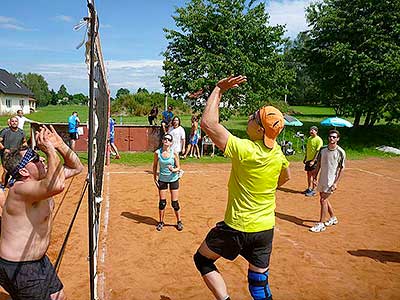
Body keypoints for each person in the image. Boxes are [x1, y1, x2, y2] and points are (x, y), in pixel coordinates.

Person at [193, 75, 291, 300]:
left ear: (260, 130)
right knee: (258, 284)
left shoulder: (244, 149)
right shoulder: (277, 152)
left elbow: (208, 124)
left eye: (253, 117)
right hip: (265, 228)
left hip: (236, 227)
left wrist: (218, 89)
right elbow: (285, 177)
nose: (249, 117)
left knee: (202, 259)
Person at [0, 125, 84, 299]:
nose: (42, 160)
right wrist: (50, 150)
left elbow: (77, 167)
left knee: (58, 296)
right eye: (35, 158)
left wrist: (60, 145)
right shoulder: (19, 190)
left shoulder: (41, 182)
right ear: (23, 171)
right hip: (19, 267)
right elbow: (57, 186)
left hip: (38, 260)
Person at [309, 129, 346, 233]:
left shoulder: (340, 152)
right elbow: (319, 164)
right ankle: (333, 218)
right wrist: (315, 177)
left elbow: (341, 168)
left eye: (334, 137)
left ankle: (321, 224)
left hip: (331, 181)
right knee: (324, 199)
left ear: (338, 139)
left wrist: (336, 183)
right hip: (322, 178)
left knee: (323, 200)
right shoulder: (323, 150)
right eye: (330, 136)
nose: (332, 138)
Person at [152, 133, 183, 232]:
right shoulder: (157, 153)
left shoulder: (174, 153)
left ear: (171, 142)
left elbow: (178, 167)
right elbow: (155, 166)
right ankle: (161, 222)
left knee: (175, 203)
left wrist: (174, 170)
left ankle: (179, 221)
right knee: (162, 202)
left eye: (169, 140)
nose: (166, 141)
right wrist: (154, 178)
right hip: (162, 179)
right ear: (162, 141)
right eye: (165, 139)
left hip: (173, 179)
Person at [0, 117, 27, 184]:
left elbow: (24, 142)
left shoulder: (21, 132)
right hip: (6, 154)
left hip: (16, 153)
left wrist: (24, 148)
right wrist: (4, 149)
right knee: (6, 170)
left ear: (18, 123)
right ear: (10, 123)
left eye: (16, 121)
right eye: (12, 121)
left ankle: (16, 184)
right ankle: (3, 185)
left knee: (18, 169)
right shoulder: (5, 131)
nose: (14, 123)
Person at [303, 126, 323, 197]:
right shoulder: (309, 138)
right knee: (308, 174)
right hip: (308, 160)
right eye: (310, 130)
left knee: (314, 175)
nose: (311, 131)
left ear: (316, 131)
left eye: (313, 130)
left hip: (314, 161)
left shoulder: (318, 140)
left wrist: (313, 161)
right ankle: (309, 188)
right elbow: (307, 149)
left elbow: (318, 151)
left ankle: (314, 190)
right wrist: (305, 158)